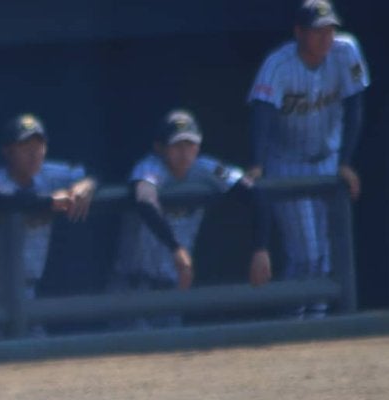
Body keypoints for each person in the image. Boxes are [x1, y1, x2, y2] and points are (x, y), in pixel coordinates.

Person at [247, 0, 368, 319]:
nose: (326, 37)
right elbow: (262, 113)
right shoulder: (278, 64)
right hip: (287, 163)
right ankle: (295, 325)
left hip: (328, 160)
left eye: (330, 30)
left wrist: (345, 161)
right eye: (317, 31)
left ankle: (316, 324)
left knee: (325, 257)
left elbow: (355, 106)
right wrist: (257, 163)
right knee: (307, 254)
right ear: (299, 32)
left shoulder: (346, 50)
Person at [109, 109, 272, 330]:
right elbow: (145, 199)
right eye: (177, 145)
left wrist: (260, 248)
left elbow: (253, 193)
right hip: (134, 286)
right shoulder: (149, 166)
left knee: (172, 349)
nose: (185, 153)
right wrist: (176, 248)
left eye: (191, 144)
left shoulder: (205, 168)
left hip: (173, 287)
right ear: (160, 147)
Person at [0, 113, 96, 337]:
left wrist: (86, 185)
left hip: (26, 288)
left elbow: (92, 172)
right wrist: (48, 202)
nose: (34, 153)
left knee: (37, 351)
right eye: (25, 146)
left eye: (39, 145)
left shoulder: (50, 173)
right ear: (8, 151)